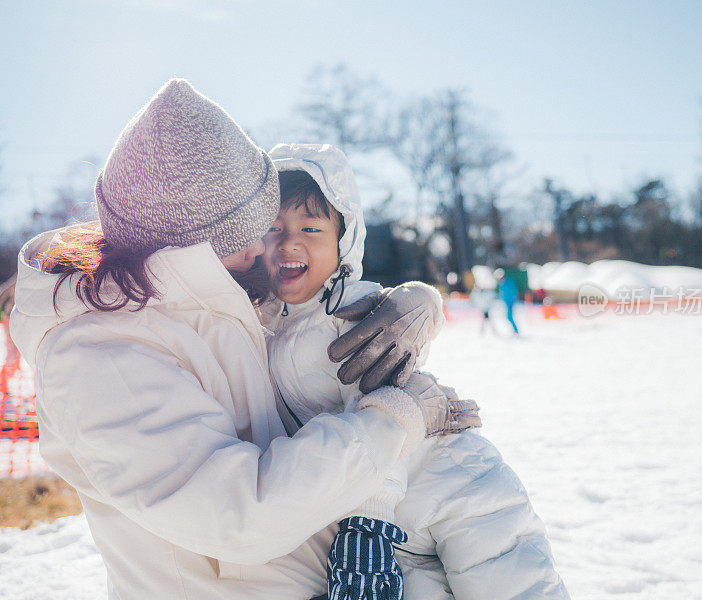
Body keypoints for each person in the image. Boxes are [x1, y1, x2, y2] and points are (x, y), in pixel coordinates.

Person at [9, 79, 479, 600]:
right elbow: (243, 514)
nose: (265, 247)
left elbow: (308, 317)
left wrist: (417, 302)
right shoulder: (97, 356)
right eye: (249, 232)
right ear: (187, 242)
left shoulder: (193, 296)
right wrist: (395, 418)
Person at [262, 143, 569, 600]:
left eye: (311, 227)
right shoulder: (266, 322)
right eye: (274, 228)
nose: (290, 241)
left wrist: (367, 529)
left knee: (512, 582)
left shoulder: (353, 311)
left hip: (453, 479)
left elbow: (383, 419)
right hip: (405, 511)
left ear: (343, 241)